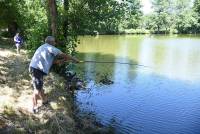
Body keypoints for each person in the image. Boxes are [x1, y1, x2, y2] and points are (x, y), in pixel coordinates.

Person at [29, 36, 79, 113]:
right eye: (54, 42)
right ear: (51, 42)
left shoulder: (43, 47)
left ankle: (44, 100)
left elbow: (51, 61)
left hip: (35, 68)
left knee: (40, 86)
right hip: (37, 69)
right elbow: (63, 54)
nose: (55, 43)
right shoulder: (51, 48)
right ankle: (34, 107)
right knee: (37, 89)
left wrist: (60, 61)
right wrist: (74, 59)